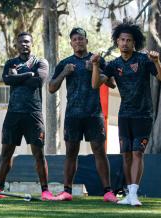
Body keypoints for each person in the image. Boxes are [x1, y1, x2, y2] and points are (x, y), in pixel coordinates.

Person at [91, 20, 161, 206]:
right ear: (117, 42)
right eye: (122, 39)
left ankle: (134, 192)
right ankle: (128, 193)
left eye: (129, 40)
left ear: (135, 43)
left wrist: (157, 61)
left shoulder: (143, 60)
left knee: (137, 153)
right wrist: (95, 65)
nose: (125, 43)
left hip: (143, 115)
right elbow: (95, 84)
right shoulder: (114, 64)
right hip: (124, 115)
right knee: (125, 154)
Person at [49, 28, 118, 202]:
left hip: (94, 113)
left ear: (87, 41)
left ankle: (108, 192)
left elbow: (112, 83)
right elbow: (51, 88)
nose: (78, 42)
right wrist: (64, 72)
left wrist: (94, 69)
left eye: (81, 39)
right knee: (71, 153)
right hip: (73, 115)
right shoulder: (65, 63)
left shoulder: (97, 60)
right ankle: (66, 191)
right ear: (70, 43)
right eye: (74, 39)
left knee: (99, 152)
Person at [0, 32, 53, 201]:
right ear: (16, 45)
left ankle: (45, 191)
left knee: (39, 154)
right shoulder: (10, 63)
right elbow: (7, 81)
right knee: (6, 154)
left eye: (27, 41)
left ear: (32, 43)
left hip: (33, 114)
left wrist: (18, 77)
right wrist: (28, 75)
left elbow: (38, 82)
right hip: (13, 114)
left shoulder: (40, 62)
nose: (24, 44)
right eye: (21, 42)